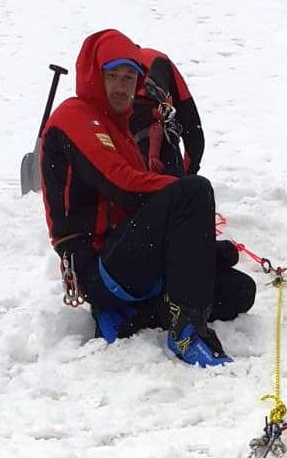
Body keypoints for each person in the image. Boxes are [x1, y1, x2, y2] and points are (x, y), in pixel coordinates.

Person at [40, 28, 254, 367]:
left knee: (239, 291)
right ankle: (187, 332)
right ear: (95, 75)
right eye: (113, 76)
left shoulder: (118, 128)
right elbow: (123, 186)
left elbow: (143, 207)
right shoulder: (74, 117)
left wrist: (200, 249)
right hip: (98, 267)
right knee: (193, 190)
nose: (121, 86)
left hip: (127, 259)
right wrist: (184, 195)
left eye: (129, 78)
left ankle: (129, 318)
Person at [130, 47, 204, 178]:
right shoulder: (159, 59)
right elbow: (192, 127)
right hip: (158, 130)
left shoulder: (106, 65)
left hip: (123, 129)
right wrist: (189, 174)